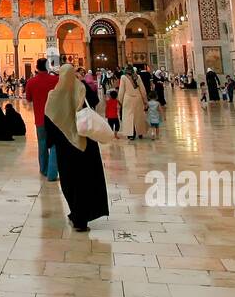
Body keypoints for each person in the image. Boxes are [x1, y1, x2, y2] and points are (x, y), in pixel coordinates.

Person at [44, 65, 108, 232]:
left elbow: (49, 120)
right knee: (86, 180)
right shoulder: (82, 88)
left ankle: (77, 214)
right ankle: (83, 216)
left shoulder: (55, 94)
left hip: (65, 147)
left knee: (70, 181)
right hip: (85, 143)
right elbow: (95, 101)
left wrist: (50, 143)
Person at [24, 58, 59, 182]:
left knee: (42, 144)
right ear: (47, 66)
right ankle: (53, 171)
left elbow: (28, 99)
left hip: (40, 119)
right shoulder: (55, 80)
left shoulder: (31, 82)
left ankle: (44, 169)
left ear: (37, 67)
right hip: (55, 119)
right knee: (55, 145)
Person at [118, 68, 149, 140]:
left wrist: (120, 101)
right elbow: (142, 89)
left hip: (128, 99)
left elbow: (121, 90)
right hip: (138, 98)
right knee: (139, 116)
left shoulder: (123, 77)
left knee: (128, 117)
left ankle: (131, 134)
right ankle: (140, 132)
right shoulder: (137, 76)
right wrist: (145, 101)